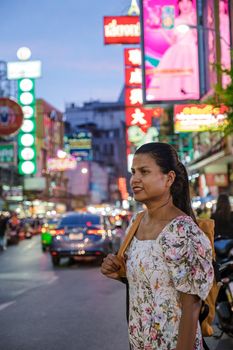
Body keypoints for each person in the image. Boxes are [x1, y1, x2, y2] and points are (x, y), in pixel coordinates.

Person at [101, 142, 214, 350]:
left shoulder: (181, 231)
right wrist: (119, 272)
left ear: (169, 178)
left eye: (144, 172)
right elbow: (152, 283)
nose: (134, 179)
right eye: (133, 172)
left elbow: (192, 305)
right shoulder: (136, 222)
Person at [148, 0, 199, 100]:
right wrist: (161, 30)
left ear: (191, 4)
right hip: (178, 52)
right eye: (182, 3)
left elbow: (198, 37)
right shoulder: (176, 21)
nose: (185, 5)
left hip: (193, 51)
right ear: (178, 5)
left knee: (194, 79)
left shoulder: (195, 18)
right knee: (175, 81)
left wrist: (192, 22)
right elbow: (172, 42)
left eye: (187, 2)